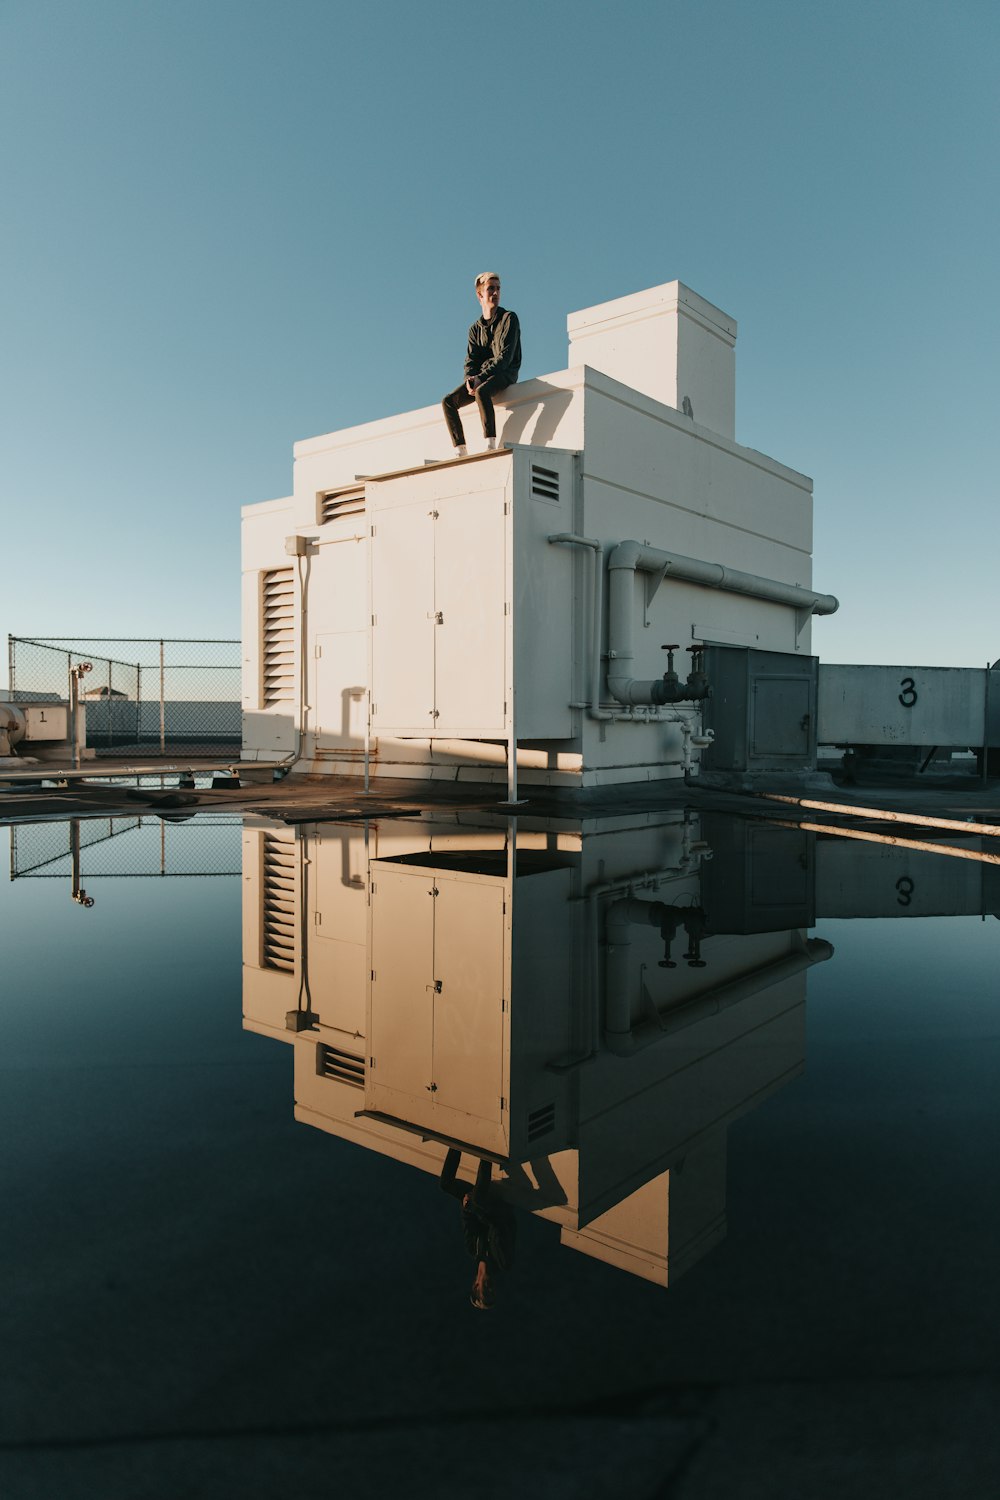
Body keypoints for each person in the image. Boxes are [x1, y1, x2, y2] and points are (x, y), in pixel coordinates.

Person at [441, 272, 521, 455]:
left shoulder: (509, 318)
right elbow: (471, 360)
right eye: (490, 288)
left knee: (482, 391)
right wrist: (470, 379)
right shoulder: (474, 329)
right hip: (481, 377)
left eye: (498, 288)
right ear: (480, 295)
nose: (495, 293)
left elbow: (505, 358)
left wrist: (480, 378)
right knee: (448, 402)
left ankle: (490, 443)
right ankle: (460, 449)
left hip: (505, 373)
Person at [439, 1148, 516, 1309]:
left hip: (479, 1208)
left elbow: (468, 1223)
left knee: (446, 1185)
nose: (491, 1288)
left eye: (486, 1291)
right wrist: (474, 1208)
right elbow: (498, 1227)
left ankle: (455, 1144)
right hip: (498, 1212)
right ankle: (486, 1153)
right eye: (493, 1291)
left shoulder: (473, 1250)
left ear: (476, 1286)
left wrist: (466, 1207)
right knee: (478, 1199)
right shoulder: (502, 1261)